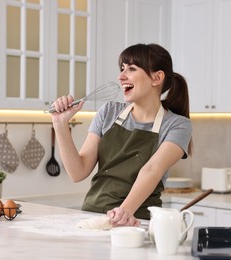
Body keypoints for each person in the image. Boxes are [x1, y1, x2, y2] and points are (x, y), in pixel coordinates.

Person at [50, 43, 192, 227]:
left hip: (136, 221)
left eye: (131, 69)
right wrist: (60, 125)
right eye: (122, 68)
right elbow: (77, 172)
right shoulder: (108, 111)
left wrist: (124, 211)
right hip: (94, 215)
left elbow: (152, 170)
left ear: (157, 77)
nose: (121, 76)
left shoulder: (177, 125)